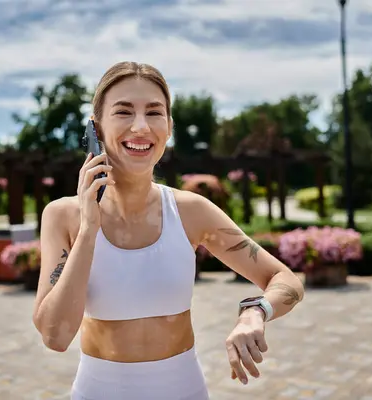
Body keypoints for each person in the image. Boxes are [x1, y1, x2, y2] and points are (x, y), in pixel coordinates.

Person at [32, 61, 305, 400]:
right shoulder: (63, 216)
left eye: (154, 112)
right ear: (96, 128)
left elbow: (287, 280)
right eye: (123, 112)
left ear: (169, 127)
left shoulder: (192, 212)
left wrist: (255, 312)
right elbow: (55, 337)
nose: (141, 126)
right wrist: (89, 230)